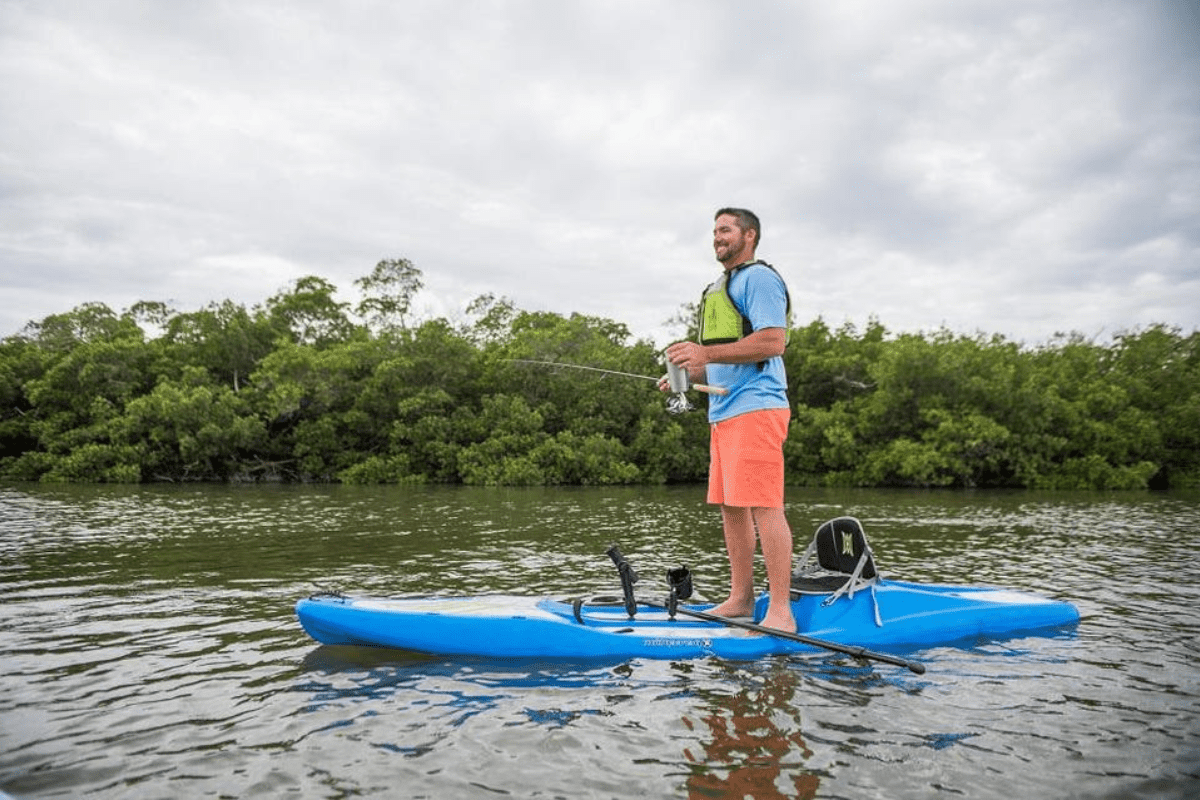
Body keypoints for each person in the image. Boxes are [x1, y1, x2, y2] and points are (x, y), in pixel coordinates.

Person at [663, 208, 796, 633]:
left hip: (757, 406)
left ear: (749, 235)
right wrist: (684, 376)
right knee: (732, 507)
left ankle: (780, 611)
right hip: (725, 411)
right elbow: (722, 360)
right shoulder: (720, 288)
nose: (717, 237)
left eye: (725, 229)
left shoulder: (758, 279)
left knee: (764, 506)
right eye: (714, 230)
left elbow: (773, 341)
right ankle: (741, 599)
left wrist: (704, 354)